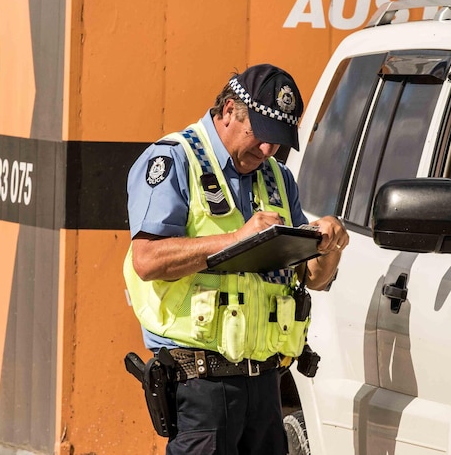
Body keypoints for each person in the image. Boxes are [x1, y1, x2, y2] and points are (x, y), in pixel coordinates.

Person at [124, 64, 349, 454]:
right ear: (229, 111)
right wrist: (236, 238)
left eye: (277, 142)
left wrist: (328, 247)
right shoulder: (175, 160)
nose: (268, 151)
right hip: (200, 384)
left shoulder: (278, 178)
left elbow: (311, 277)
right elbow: (147, 259)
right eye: (260, 136)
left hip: (264, 384)